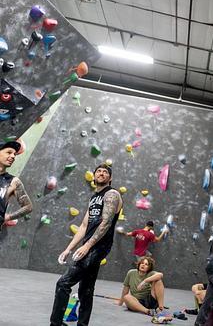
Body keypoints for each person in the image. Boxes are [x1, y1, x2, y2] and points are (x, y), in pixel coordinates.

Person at [49, 163, 122, 326]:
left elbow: (106, 222)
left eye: (105, 172)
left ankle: (56, 324)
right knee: (86, 290)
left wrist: (87, 246)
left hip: (98, 247)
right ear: (94, 176)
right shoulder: (94, 197)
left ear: (110, 178)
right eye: (99, 171)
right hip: (89, 246)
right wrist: (69, 249)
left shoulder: (112, 194)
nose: (101, 173)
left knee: (63, 283)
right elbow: (83, 225)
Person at [0, 140, 33, 230]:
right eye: (9, 152)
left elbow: (28, 207)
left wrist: (7, 217)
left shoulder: (13, 181)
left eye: (14, 154)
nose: (13, 156)